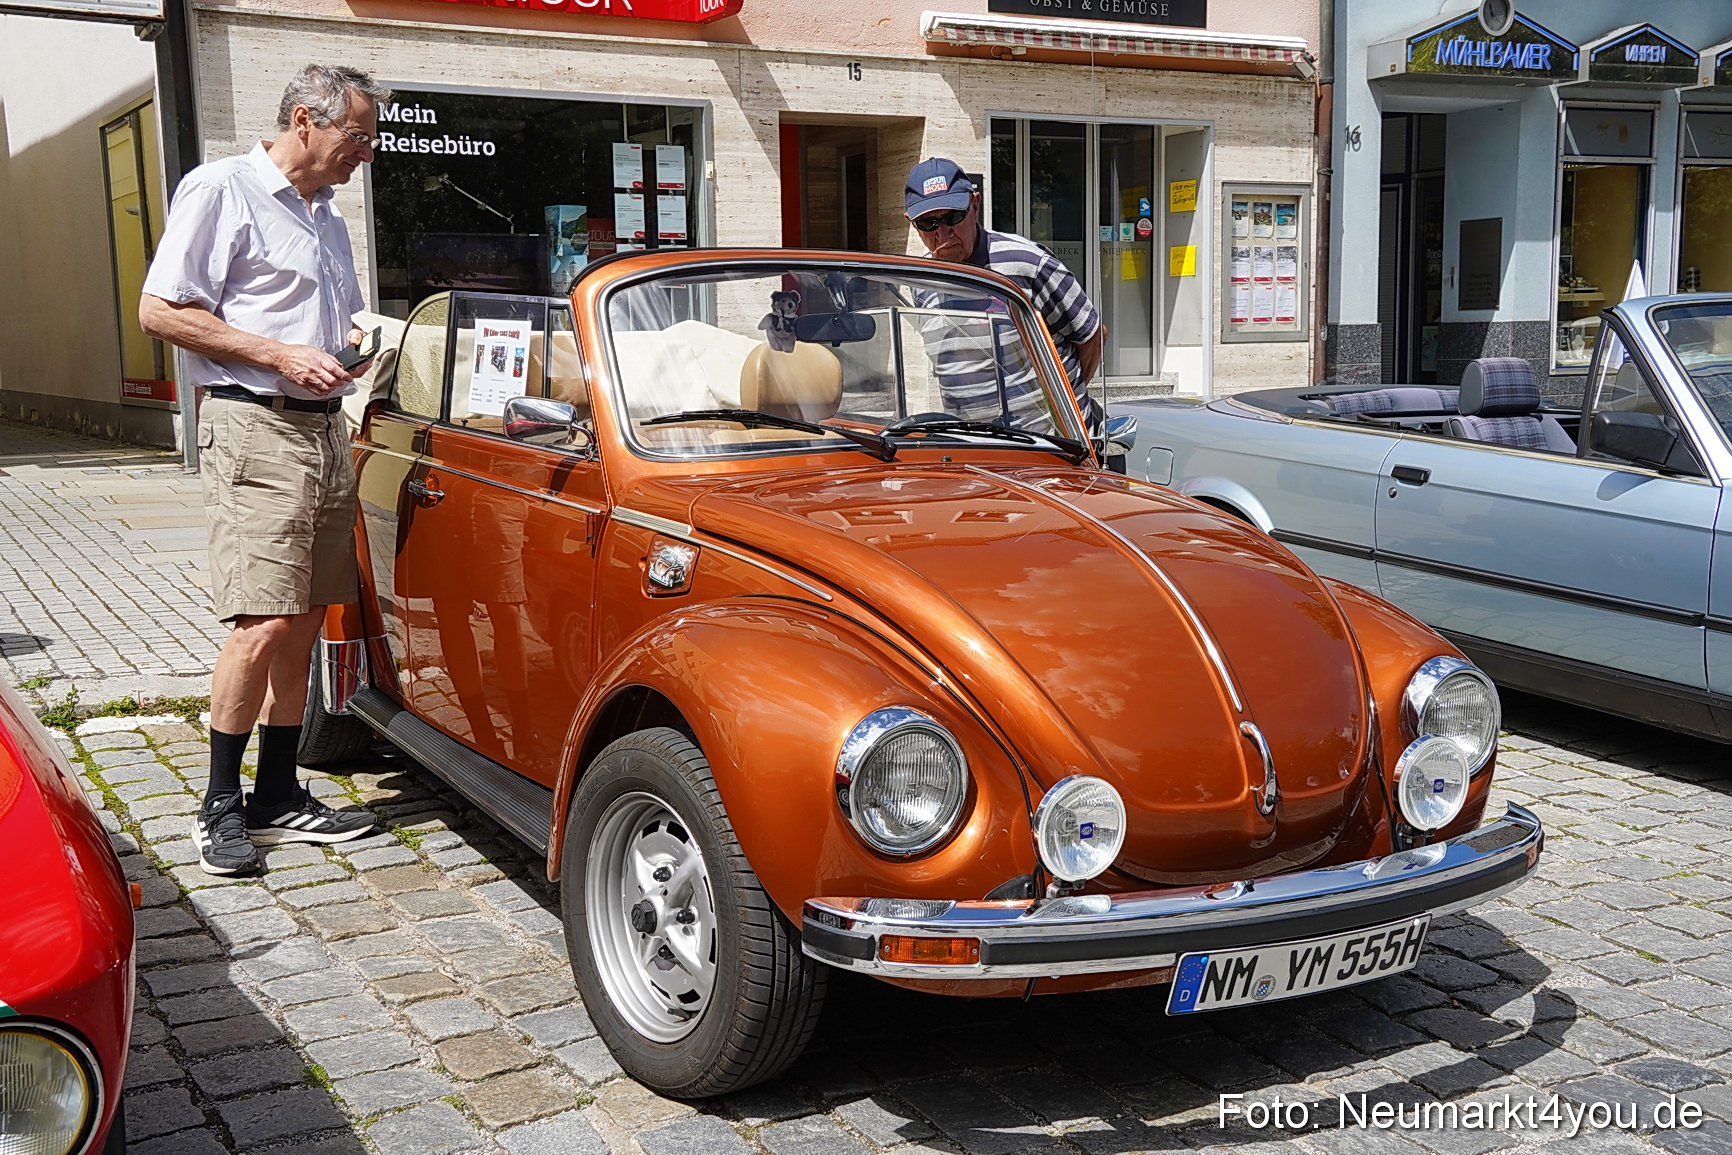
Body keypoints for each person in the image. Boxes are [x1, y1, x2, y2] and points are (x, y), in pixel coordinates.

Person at [139, 64, 390, 875]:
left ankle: (278, 791)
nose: (368, 154)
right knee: (263, 619)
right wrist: (278, 352)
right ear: (303, 120)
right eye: (359, 138)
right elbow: (160, 308)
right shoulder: (221, 189)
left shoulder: (329, 217)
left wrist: (357, 351)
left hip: (324, 431)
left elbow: (335, 322)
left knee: (311, 614)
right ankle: (217, 803)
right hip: (255, 427)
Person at [903, 157, 1112, 457]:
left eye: (953, 217)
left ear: (975, 206)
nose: (943, 234)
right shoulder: (920, 281)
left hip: (1050, 451)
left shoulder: (1025, 263)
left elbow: (1092, 334)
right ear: (911, 223)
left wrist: (1062, 404)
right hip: (972, 454)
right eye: (928, 223)